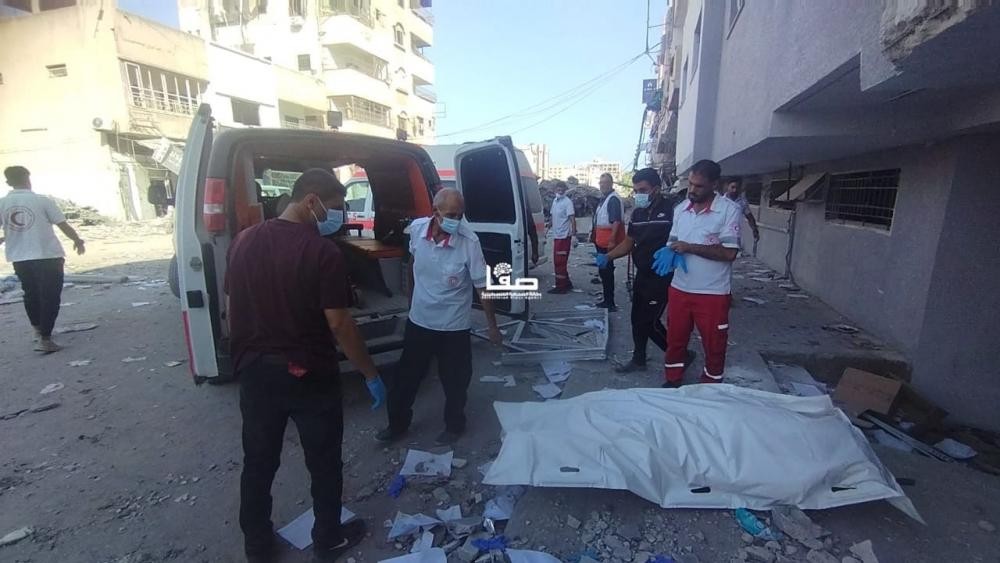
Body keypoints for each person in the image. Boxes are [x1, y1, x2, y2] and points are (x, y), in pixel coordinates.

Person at [225, 168, 385, 563]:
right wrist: (370, 373)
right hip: (309, 373)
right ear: (311, 201)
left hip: (256, 372)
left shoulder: (244, 241)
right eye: (334, 208)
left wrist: (244, 358)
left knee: (258, 461)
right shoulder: (322, 252)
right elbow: (339, 323)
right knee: (324, 462)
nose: (336, 217)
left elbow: (232, 308)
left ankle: (257, 546)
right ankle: (328, 539)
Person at [378, 188, 503, 446]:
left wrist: (493, 327)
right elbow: (413, 264)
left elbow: (483, 287)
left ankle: (454, 426)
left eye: (461, 215)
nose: (457, 220)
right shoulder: (417, 230)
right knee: (406, 378)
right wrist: (411, 300)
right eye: (451, 215)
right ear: (435, 212)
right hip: (420, 321)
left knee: (456, 381)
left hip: (453, 326)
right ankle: (397, 425)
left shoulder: (469, 242)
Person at [663, 160, 742, 387]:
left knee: (714, 342)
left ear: (714, 185)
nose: (692, 190)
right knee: (675, 338)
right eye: (690, 184)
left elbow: (729, 253)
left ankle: (711, 384)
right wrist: (667, 253)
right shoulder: (681, 210)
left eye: (699, 186)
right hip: (679, 288)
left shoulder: (728, 210)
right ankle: (673, 379)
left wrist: (689, 247)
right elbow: (672, 242)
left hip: (712, 292)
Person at [598, 168, 684, 373]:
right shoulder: (638, 214)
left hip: (663, 275)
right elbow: (629, 243)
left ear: (656, 189)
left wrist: (676, 252)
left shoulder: (673, 211)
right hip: (642, 274)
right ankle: (639, 359)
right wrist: (608, 257)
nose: (639, 195)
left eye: (643, 190)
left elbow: (684, 237)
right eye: (636, 191)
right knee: (636, 319)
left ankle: (680, 356)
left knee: (649, 322)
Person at [0, 166, 85, 353]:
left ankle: (38, 330)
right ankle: (45, 339)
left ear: (8, 182)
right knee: (50, 296)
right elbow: (62, 225)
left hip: (20, 258)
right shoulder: (42, 200)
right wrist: (77, 240)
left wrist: (7, 237)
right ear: (27, 179)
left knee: (31, 293)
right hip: (47, 256)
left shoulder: (2, 203)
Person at [590, 172, 623, 311]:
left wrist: (612, 240)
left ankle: (610, 302)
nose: (603, 185)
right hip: (601, 241)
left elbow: (616, 221)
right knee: (604, 271)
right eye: (601, 182)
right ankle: (607, 300)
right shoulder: (605, 199)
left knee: (607, 272)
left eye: (606, 182)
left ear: (611, 184)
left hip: (607, 243)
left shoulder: (613, 199)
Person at [547, 181, 577, 294]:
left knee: (560, 262)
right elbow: (552, 216)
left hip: (564, 237)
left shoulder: (567, 202)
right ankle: (567, 283)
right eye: (558, 190)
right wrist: (548, 226)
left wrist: (574, 235)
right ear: (555, 190)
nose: (559, 192)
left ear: (565, 190)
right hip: (557, 236)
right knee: (559, 261)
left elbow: (572, 219)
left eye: (561, 190)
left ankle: (561, 287)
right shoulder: (555, 201)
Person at [723, 176, 760, 250]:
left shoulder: (742, 202)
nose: (735, 190)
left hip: (735, 235)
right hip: (721, 234)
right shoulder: (721, 201)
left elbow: (750, 217)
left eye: (737, 188)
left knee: (733, 254)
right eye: (732, 187)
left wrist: (754, 230)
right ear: (727, 187)